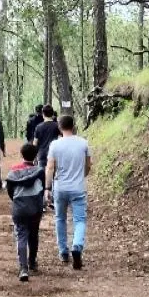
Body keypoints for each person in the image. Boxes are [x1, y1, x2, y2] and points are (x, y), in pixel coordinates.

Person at [46, 111, 91, 270]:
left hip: (60, 188)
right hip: (78, 188)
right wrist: (80, 176)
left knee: (60, 219)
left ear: (59, 128)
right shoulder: (83, 143)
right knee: (79, 220)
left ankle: (63, 251)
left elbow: (50, 167)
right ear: (74, 126)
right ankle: (77, 246)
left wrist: (48, 188)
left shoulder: (55, 145)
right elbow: (88, 166)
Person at [4, 141, 46, 281]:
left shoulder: (14, 171)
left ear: (21, 155)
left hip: (19, 208)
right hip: (35, 207)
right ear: (35, 156)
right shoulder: (39, 170)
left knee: (21, 236)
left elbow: (10, 190)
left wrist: (16, 200)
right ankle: (32, 262)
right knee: (33, 235)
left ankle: (23, 268)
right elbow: (42, 188)